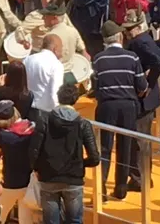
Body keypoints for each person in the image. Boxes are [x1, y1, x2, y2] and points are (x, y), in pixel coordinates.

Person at [29, 84, 100, 224]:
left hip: (48, 176)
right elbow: (95, 158)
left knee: (50, 221)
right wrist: (80, 163)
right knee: (75, 220)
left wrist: (36, 168)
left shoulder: (44, 120)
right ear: (76, 99)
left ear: (58, 97)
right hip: (73, 179)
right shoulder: (83, 124)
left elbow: (34, 150)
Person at [92, 20, 147, 200]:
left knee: (105, 148)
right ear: (120, 37)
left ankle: (101, 191)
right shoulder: (132, 57)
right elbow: (142, 86)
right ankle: (120, 189)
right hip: (128, 105)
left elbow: (95, 87)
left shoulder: (98, 59)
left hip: (106, 106)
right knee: (125, 146)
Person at [123, 10, 160, 192]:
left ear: (139, 26)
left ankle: (140, 179)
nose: (127, 32)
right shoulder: (145, 39)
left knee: (138, 142)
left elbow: (158, 62)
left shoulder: (139, 42)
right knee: (142, 141)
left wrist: (148, 83)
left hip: (143, 100)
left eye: (131, 28)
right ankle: (143, 176)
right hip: (148, 99)